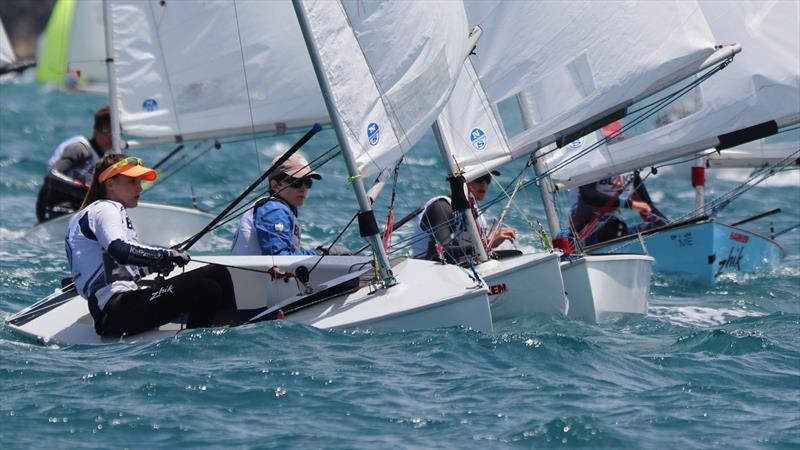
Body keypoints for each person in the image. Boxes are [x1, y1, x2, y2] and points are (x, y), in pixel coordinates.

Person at [65, 154, 234, 337]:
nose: (139, 188)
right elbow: (119, 250)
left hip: (121, 306)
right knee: (206, 286)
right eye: (132, 182)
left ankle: (218, 333)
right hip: (115, 312)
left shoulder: (99, 211)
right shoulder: (105, 209)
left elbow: (117, 269)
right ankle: (202, 345)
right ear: (110, 184)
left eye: (140, 182)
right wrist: (166, 255)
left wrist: (152, 266)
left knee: (216, 274)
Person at [412, 171, 516, 263]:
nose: (484, 184)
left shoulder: (478, 215)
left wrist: (489, 243)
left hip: (459, 269)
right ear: (463, 181)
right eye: (479, 179)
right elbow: (443, 252)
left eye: (488, 179)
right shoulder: (441, 207)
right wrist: (486, 246)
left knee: (516, 256)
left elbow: (471, 251)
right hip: (428, 271)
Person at [231, 153, 323, 256]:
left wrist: (320, 253)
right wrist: (319, 255)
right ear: (275, 185)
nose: (303, 188)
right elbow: (280, 257)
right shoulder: (274, 210)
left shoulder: (278, 209)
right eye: (297, 182)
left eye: (308, 183)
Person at [36, 105, 114, 223]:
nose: (110, 137)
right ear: (95, 131)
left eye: (115, 133)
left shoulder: (106, 160)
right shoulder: (80, 149)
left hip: (76, 209)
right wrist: (84, 189)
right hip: (54, 210)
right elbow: (51, 176)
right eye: (106, 131)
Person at [570, 171, 666, 246]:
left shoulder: (630, 170)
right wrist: (628, 204)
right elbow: (590, 197)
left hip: (617, 230)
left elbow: (646, 207)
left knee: (657, 226)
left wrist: (666, 225)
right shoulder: (593, 167)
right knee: (615, 227)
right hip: (585, 231)